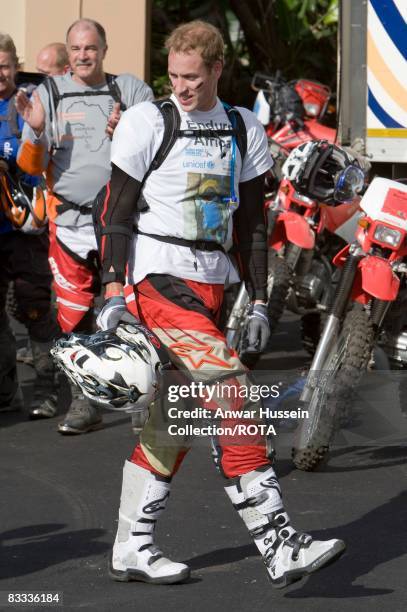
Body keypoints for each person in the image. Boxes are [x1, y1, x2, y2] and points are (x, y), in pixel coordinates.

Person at [94, 21, 345, 587]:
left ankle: (130, 548)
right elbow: (115, 209)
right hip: (158, 282)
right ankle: (279, 543)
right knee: (232, 392)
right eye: (174, 76)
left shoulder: (241, 126)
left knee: (173, 421)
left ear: (216, 70)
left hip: (214, 286)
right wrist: (112, 293)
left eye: (192, 77)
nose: (181, 88)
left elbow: (254, 226)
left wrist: (258, 304)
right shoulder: (146, 121)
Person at [16, 18, 154, 433]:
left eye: (90, 48)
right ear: (68, 52)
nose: (82, 56)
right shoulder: (49, 93)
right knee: (73, 316)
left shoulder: (130, 90)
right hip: (70, 222)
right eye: (75, 49)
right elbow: (30, 167)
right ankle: (84, 401)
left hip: (123, 220)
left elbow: (158, 149)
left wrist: (128, 130)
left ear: (105, 49)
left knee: (129, 308)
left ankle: (140, 400)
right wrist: (38, 132)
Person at [0, 32, 59, 416]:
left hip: (25, 232)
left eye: (3, 65)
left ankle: (48, 391)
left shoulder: (30, 103)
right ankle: (6, 394)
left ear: (14, 65)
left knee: (36, 312)